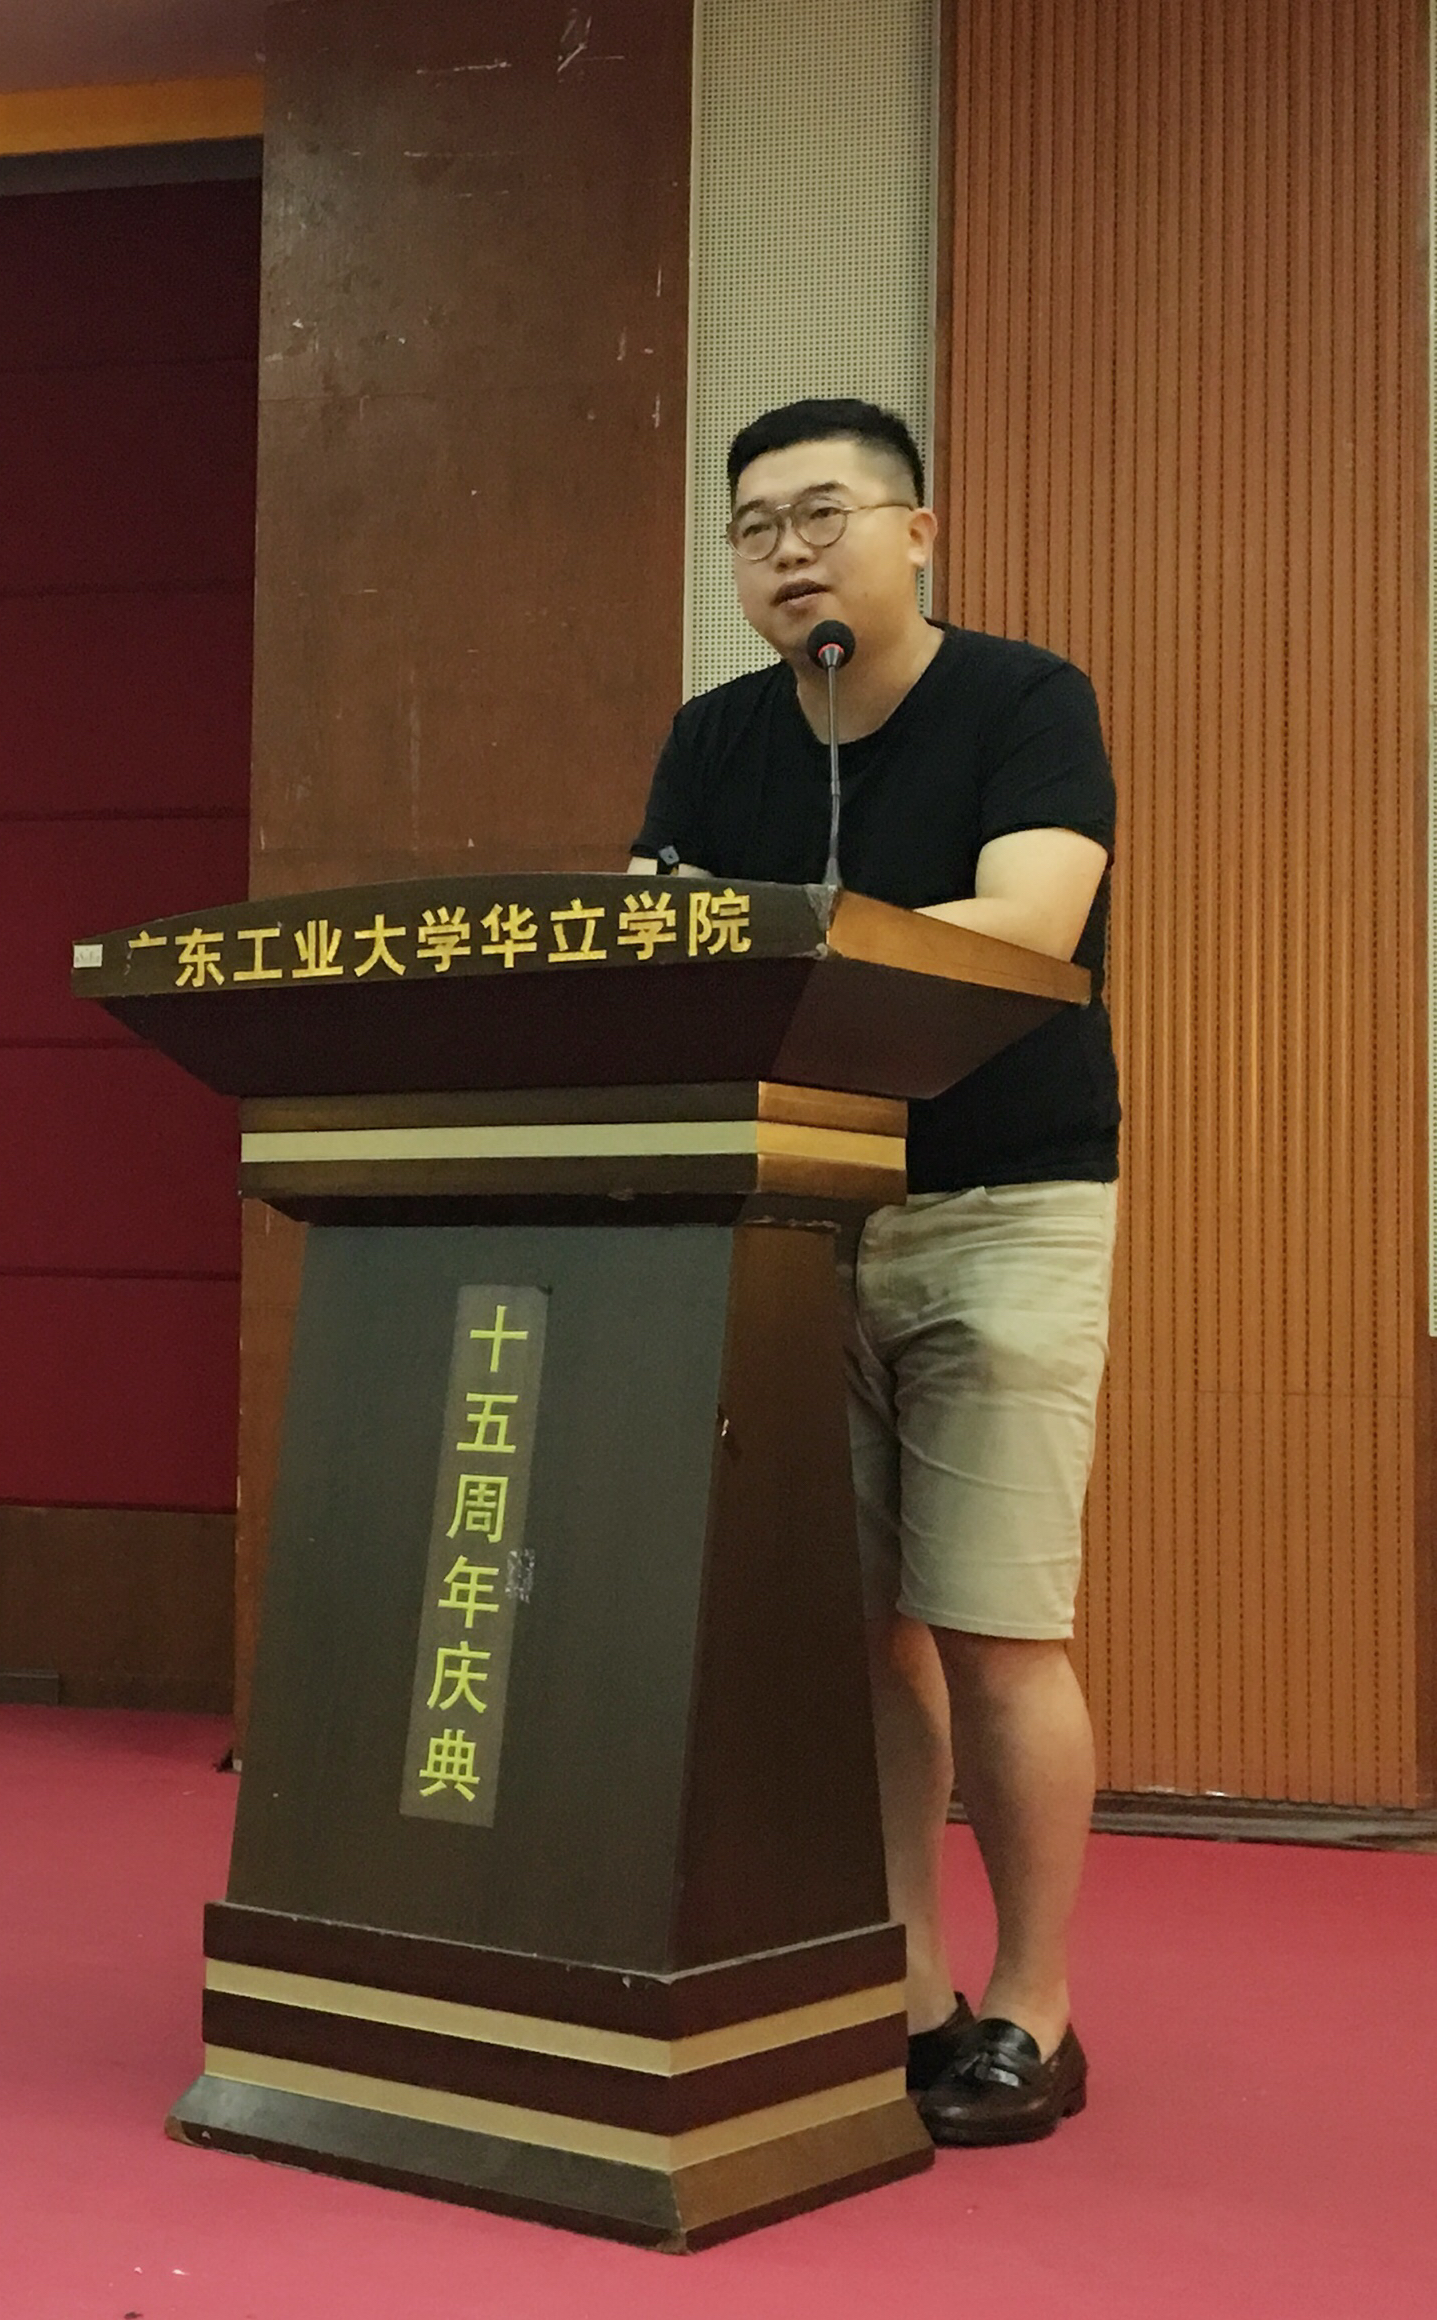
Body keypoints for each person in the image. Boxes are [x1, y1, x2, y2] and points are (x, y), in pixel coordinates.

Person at [629, 398, 1116, 2147]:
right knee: (855, 1642)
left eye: (822, 515)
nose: (788, 554)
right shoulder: (714, 737)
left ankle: (1037, 2008)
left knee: (993, 1631)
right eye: (755, 528)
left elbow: (1033, 920)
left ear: (917, 531)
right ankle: (910, 1988)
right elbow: (657, 947)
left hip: (1001, 1205)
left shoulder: (1023, 700)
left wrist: (782, 938)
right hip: (792, 1221)